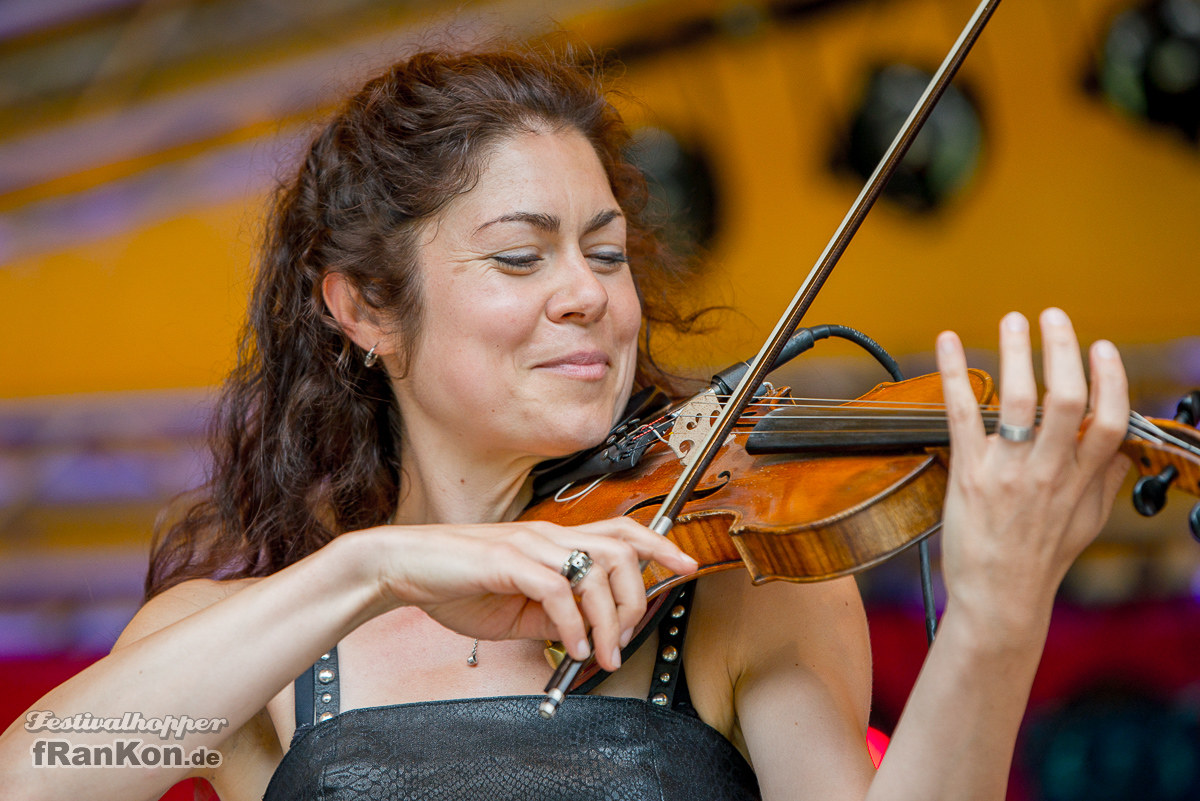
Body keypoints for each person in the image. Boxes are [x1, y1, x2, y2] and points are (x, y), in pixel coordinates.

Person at [0, 45, 1132, 801]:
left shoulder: (735, 591)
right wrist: (372, 567)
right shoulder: (265, 639)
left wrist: (995, 617)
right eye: (518, 255)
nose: (589, 292)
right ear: (363, 309)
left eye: (605, 251)